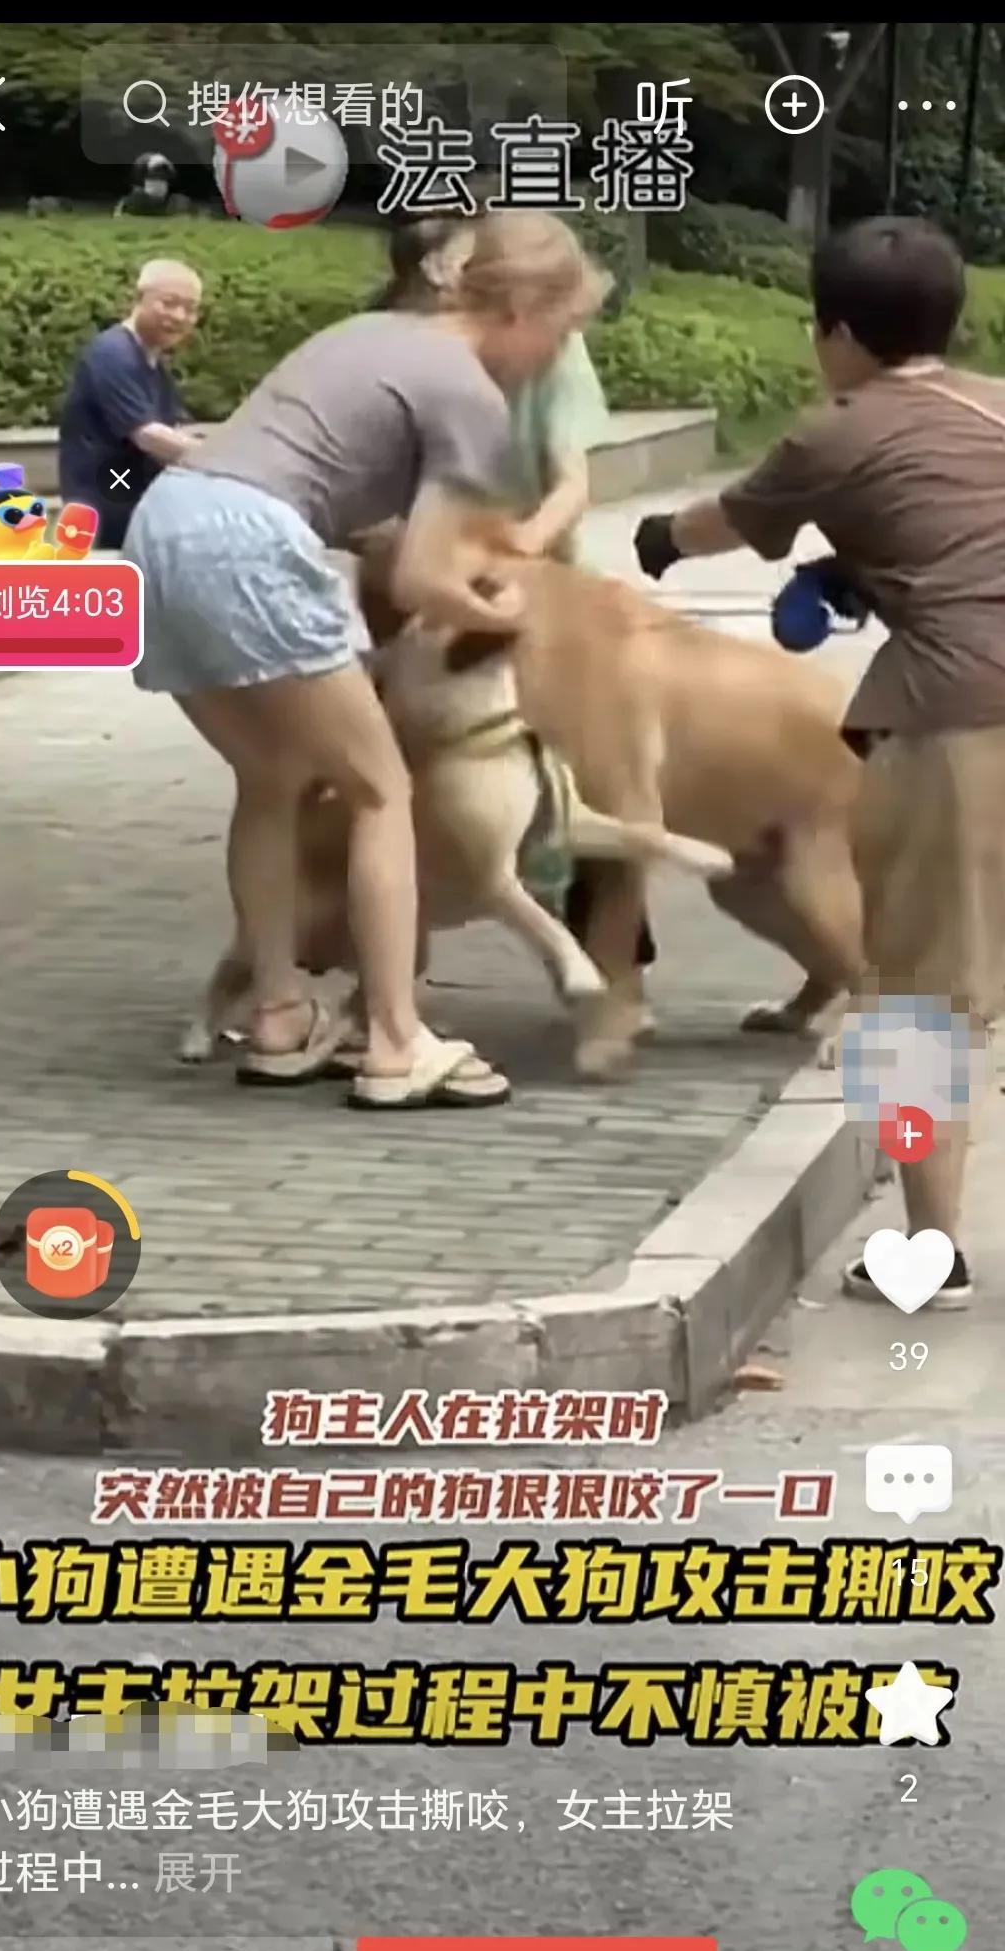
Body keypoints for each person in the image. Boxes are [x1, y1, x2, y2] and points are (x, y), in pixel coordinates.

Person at [123, 210, 606, 1108]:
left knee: (272, 779)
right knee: (382, 789)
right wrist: (500, 608)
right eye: (565, 327)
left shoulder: (371, 332)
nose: (559, 353)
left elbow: (365, 519)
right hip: (251, 541)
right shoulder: (471, 394)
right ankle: (395, 1039)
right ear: (523, 310)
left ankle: (278, 1013)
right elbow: (424, 579)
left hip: (163, 526)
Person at [634, 214, 1005, 1310]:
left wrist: (655, 539)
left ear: (836, 333)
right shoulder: (996, 404)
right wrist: (870, 567)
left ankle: (931, 1253)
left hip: (959, 721)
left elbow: (720, 521)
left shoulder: (834, 435)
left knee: (915, 1005)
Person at [373, 214, 610, 561]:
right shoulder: (416, 350)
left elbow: (571, 484)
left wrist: (523, 543)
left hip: (525, 554)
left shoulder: (556, 345)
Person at [58, 259, 203, 550]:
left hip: (135, 510)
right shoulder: (113, 354)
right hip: (107, 513)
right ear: (138, 299)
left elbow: (173, 429)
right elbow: (148, 435)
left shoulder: (152, 362)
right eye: (169, 303)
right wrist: (221, 459)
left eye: (190, 309)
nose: (179, 316)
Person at [115, 153, 192, 218]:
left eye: (162, 176)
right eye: (155, 175)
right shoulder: (134, 200)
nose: (158, 179)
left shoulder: (177, 202)